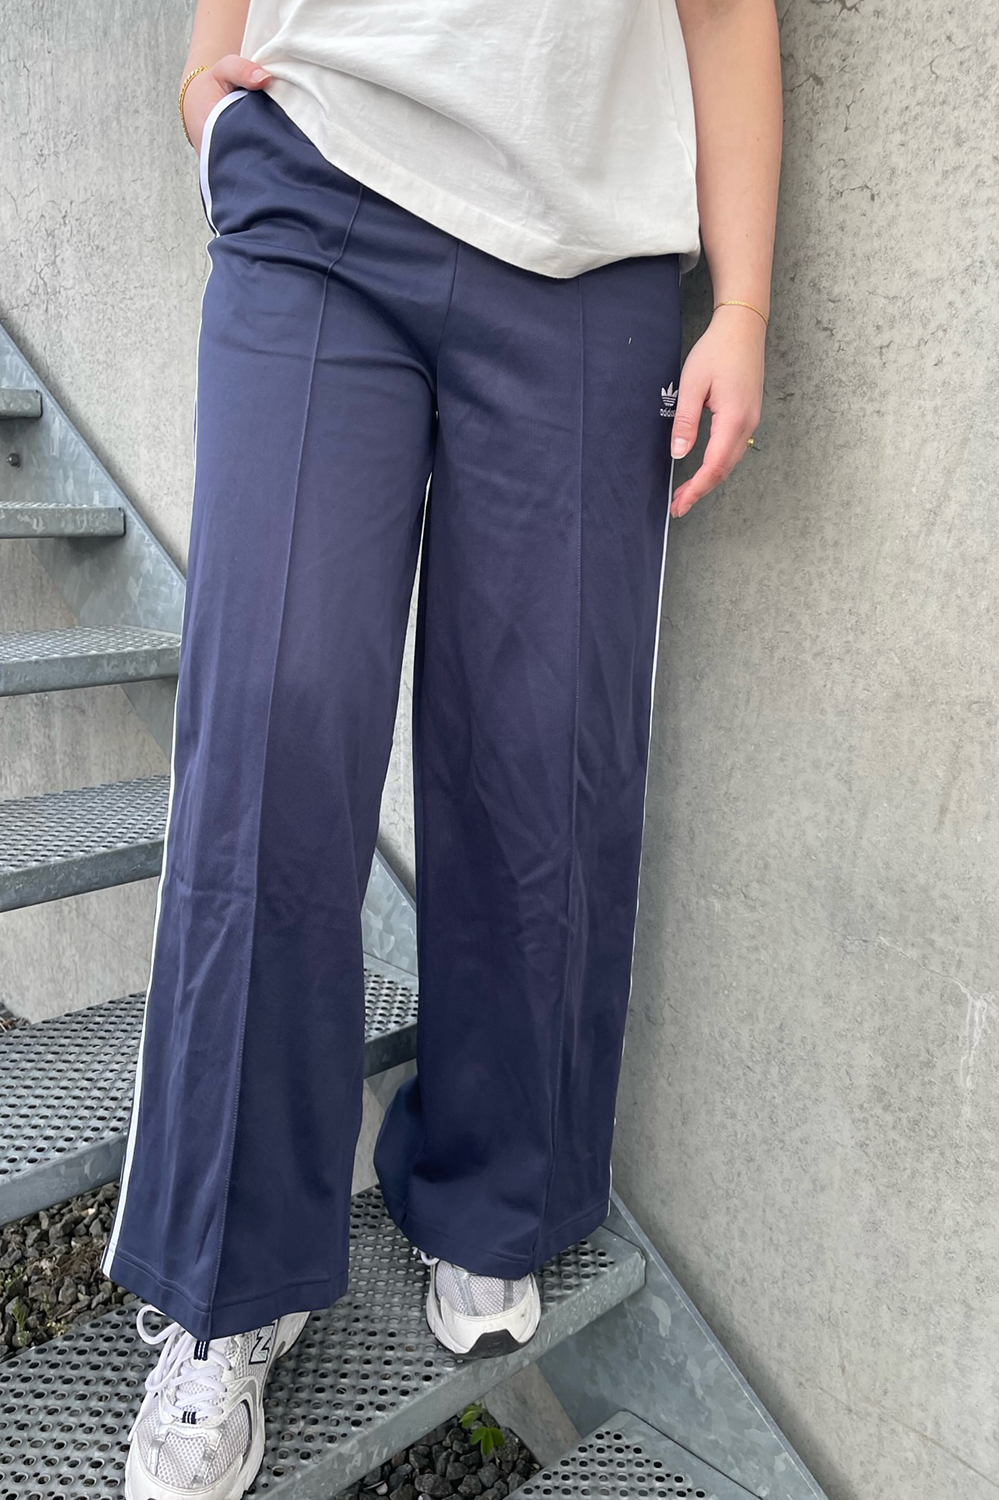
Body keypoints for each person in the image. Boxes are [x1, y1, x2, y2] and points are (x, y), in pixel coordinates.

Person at [102, 1, 781, 1495]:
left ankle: (492, 1199)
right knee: (274, 731)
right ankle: (229, 1283)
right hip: (322, 186)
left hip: (587, 259)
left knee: (545, 753)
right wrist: (207, 81)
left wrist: (741, 302)